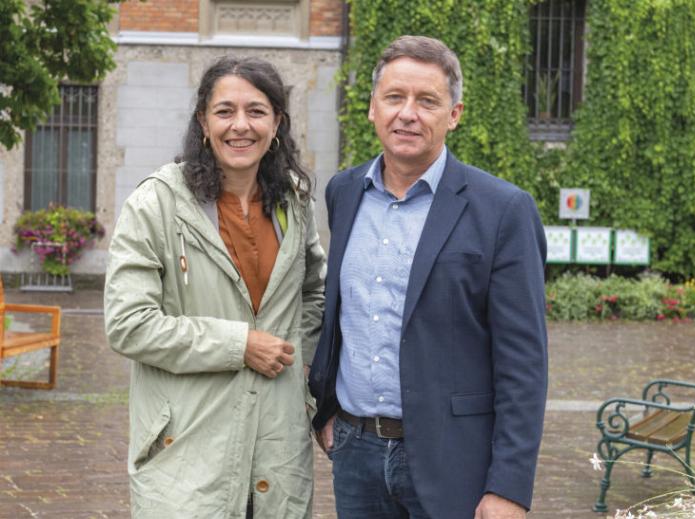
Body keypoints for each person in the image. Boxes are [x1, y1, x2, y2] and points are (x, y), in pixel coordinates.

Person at [309, 35, 548, 519]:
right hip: (354, 454)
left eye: (427, 101)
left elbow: (523, 363)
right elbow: (339, 312)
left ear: (454, 114)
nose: (408, 113)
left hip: (453, 460)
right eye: (394, 97)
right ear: (373, 108)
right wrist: (327, 406)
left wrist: (509, 486)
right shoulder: (344, 192)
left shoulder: (503, 209)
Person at [104, 56, 326, 518]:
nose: (240, 126)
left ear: (277, 123)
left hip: (277, 452)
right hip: (186, 451)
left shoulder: (293, 201)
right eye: (225, 111)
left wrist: (298, 377)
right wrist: (239, 344)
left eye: (257, 111)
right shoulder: (156, 204)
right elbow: (128, 325)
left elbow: (312, 294)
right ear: (203, 122)